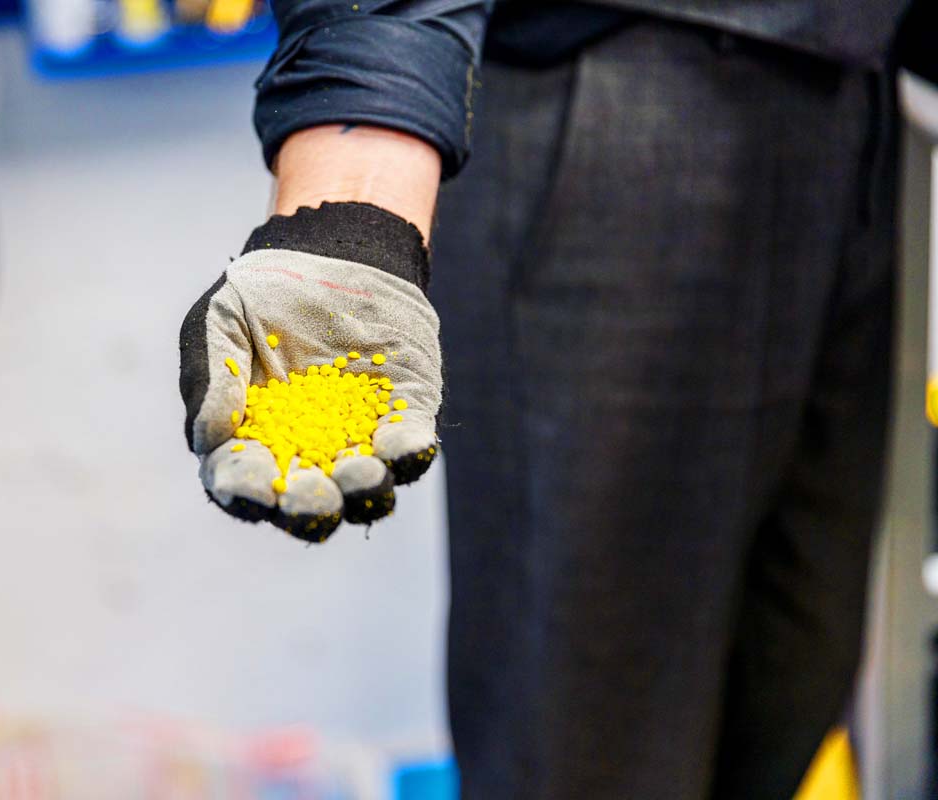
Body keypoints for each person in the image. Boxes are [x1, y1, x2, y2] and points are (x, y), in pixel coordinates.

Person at [179, 1, 920, 796]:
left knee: (792, 687)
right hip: (613, 91)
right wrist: (353, 202)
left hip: (852, 91)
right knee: (587, 746)